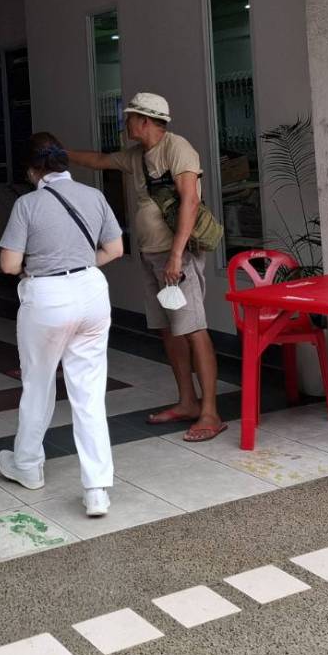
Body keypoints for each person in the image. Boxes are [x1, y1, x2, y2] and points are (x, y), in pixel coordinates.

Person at [68, 92, 225, 443]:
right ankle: (187, 401)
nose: (125, 124)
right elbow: (97, 161)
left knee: (193, 328)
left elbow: (190, 201)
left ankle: (210, 412)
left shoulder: (177, 148)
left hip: (176, 257)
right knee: (167, 330)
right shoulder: (137, 156)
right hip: (150, 256)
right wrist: (61, 155)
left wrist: (175, 256)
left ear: (146, 120)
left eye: (130, 118)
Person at [0, 133, 124, 517]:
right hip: (91, 291)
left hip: (46, 297)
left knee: (38, 383)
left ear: (32, 169)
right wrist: (79, 265)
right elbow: (115, 250)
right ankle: (97, 489)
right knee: (89, 392)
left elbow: (7, 265)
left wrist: (46, 268)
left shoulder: (26, 204)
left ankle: (29, 466)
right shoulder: (94, 197)